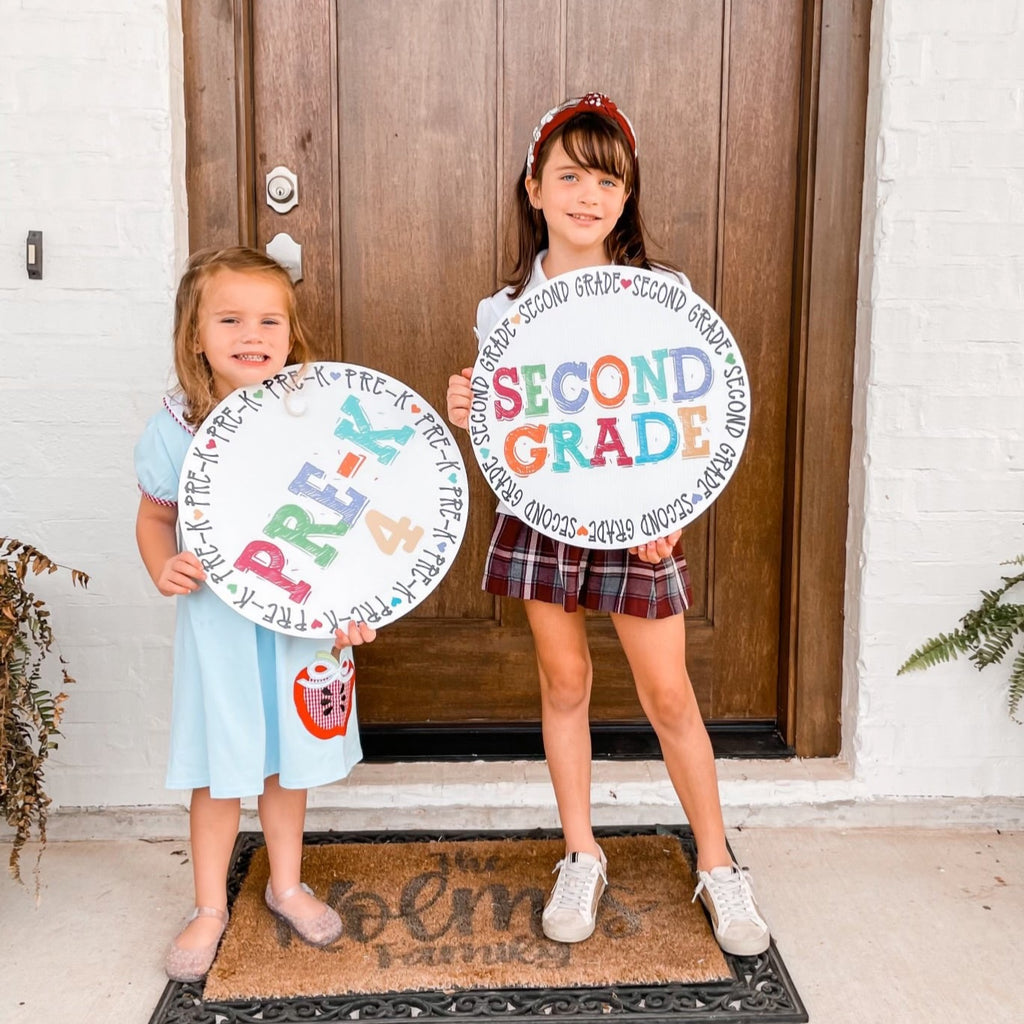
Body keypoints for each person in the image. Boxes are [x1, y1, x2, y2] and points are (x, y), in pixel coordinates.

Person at [446, 94, 770, 957]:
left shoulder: (665, 295)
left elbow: (691, 416)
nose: (588, 196)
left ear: (627, 197)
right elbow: (513, 435)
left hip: (640, 525)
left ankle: (717, 863)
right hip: (545, 519)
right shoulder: (502, 311)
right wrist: (470, 406)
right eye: (570, 176)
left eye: (608, 180)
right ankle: (580, 852)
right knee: (564, 684)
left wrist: (673, 514)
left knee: (669, 695)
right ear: (534, 188)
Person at [135, 246, 376, 982]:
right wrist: (161, 564)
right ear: (195, 335)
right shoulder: (176, 427)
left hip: (302, 621)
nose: (253, 333)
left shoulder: (316, 413)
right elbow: (153, 517)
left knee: (289, 762)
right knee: (217, 768)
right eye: (231, 318)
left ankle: (285, 883)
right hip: (220, 627)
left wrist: (357, 601)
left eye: (270, 319)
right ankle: (210, 904)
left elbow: (358, 519)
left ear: (291, 331)